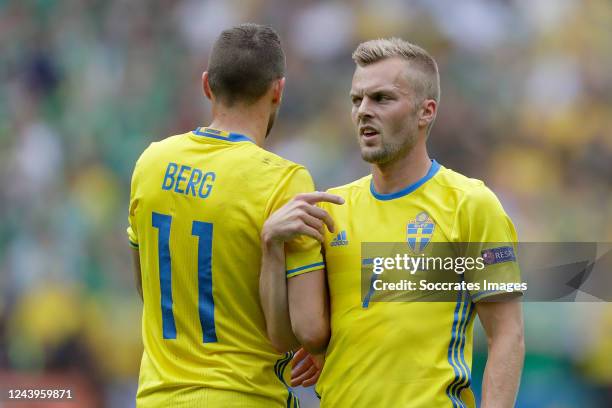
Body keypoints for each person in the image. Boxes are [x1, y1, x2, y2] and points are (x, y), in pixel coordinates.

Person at [260, 38, 525, 407]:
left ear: (425, 112)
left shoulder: (469, 205)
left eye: (382, 99)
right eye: (357, 100)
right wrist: (271, 246)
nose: (364, 111)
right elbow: (297, 338)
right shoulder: (330, 210)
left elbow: (507, 334)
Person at [127, 23, 330, 408]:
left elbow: (146, 287)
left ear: (206, 85)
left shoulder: (151, 162)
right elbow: (297, 334)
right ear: (278, 90)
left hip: (156, 397)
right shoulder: (285, 181)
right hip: (246, 397)